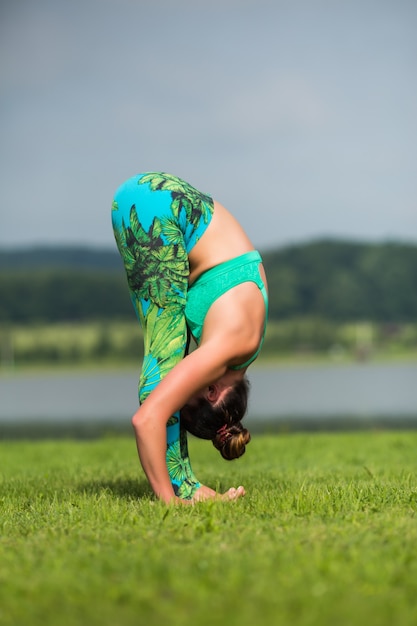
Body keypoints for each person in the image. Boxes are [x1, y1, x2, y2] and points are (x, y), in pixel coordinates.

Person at [111, 172, 268, 504]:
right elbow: (147, 418)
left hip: (171, 201)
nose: (183, 391)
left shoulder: (246, 346)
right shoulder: (227, 348)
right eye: (188, 400)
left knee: (169, 357)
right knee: (163, 365)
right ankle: (181, 491)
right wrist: (171, 505)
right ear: (212, 392)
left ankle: (188, 485)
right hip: (153, 207)